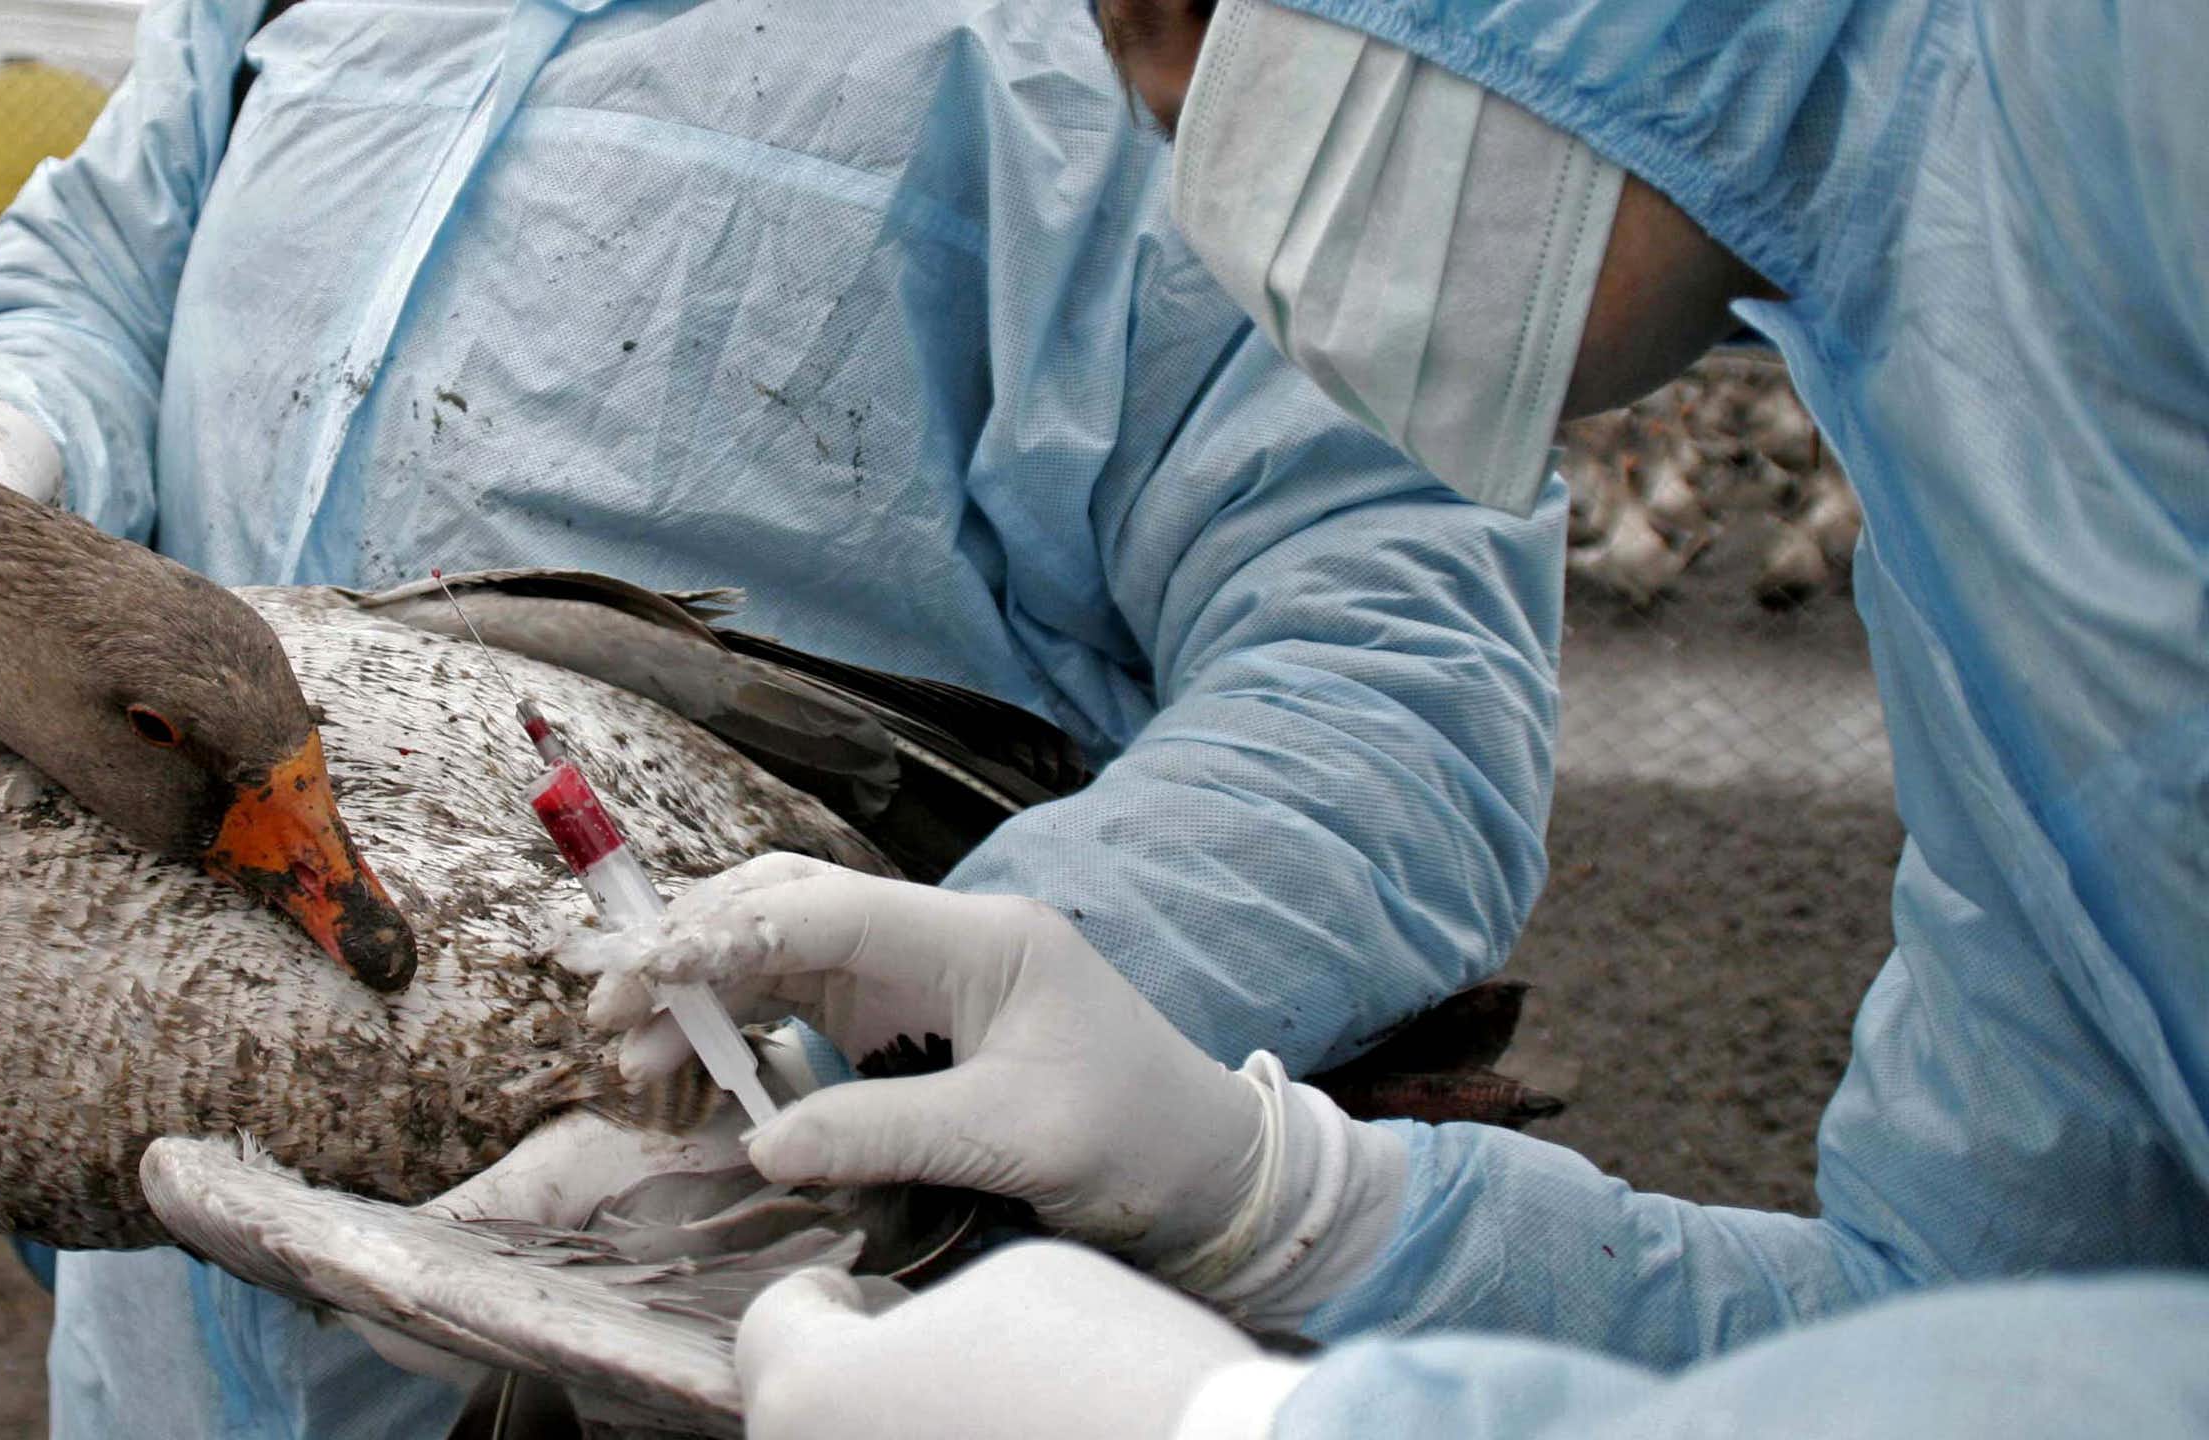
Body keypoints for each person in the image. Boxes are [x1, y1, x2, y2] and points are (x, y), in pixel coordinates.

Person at [0, 0, 1568, 1433]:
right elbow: (110, 271)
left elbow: (1389, 673)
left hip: (783, 1311)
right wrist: (8, 425)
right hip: (182, 1353)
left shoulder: (1147, 45)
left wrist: (900, 1083)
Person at [567, 0, 2209, 1431]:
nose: (1203, 157)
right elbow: (1960, 1326)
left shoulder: (2130, 98)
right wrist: (1280, 1197)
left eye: (1213, 19)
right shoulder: (1965, 435)